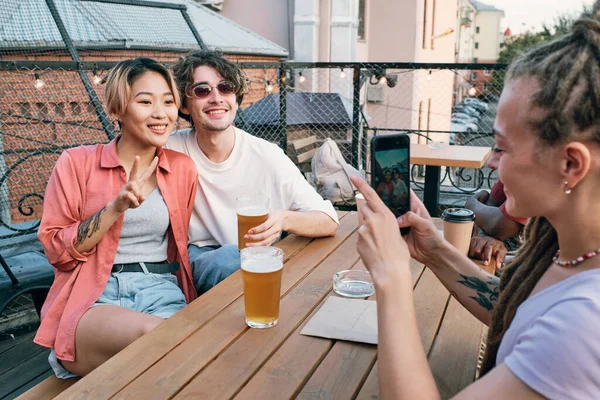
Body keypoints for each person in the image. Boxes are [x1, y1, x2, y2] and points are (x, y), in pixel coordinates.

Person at [352, 4, 600, 398]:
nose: (493, 162)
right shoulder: (568, 250)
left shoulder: (586, 325)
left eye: (501, 147)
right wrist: (433, 251)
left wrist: (392, 278)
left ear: (570, 164)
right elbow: (515, 309)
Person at [34, 58, 198, 378]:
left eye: (167, 101)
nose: (160, 113)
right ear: (117, 109)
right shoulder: (76, 163)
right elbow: (55, 249)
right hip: (93, 295)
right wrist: (115, 208)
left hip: (160, 289)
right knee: (158, 341)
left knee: (182, 362)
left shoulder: (182, 168)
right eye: (145, 101)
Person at [166, 50, 339, 296]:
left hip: (257, 256)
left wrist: (283, 219)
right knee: (228, 260)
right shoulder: (170, 148)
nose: (216, 98)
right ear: (184, 104)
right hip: (201, 256)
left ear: (236, 98)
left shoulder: (267, 155)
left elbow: (328, 220)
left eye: (225, 88)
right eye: (203, 91)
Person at [465, 177, 528, 269]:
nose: (490, 163)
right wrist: (485, 237)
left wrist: (471, 203)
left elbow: (500, 227)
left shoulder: (536, 174)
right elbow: (490, 203)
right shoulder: (513, 170)